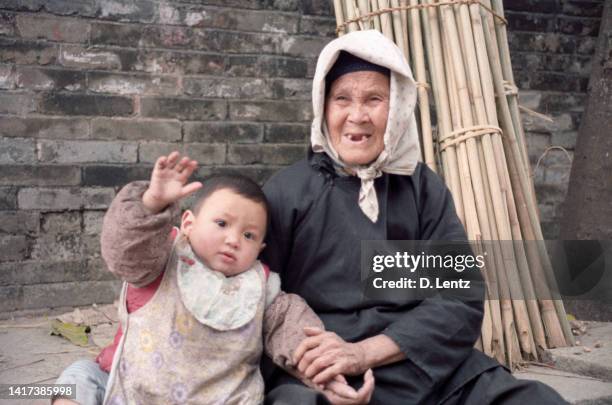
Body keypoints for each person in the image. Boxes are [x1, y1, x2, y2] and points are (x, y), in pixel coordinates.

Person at [261, 30, 568, 404]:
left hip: (422, 366)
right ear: (324, 106)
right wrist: (317, 366)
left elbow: (459, 299)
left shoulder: (423, 190)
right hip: (324, 379)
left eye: (374, 99)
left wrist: (363, 353)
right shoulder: (286, 193)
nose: (357, 116)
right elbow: (258, 299)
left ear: (398, 108)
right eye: (342, 98)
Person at [53, 152, 368, 405]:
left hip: (223, 397)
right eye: (221, 223)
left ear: (261, 249)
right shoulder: (160, 258)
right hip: (137, 391)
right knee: (79, 377)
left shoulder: (263, 290)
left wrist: (327, 377)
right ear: (188, 223)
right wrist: (151, 205)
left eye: (248, 235)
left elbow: (298, 337)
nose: (233, 239)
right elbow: (123, 251)